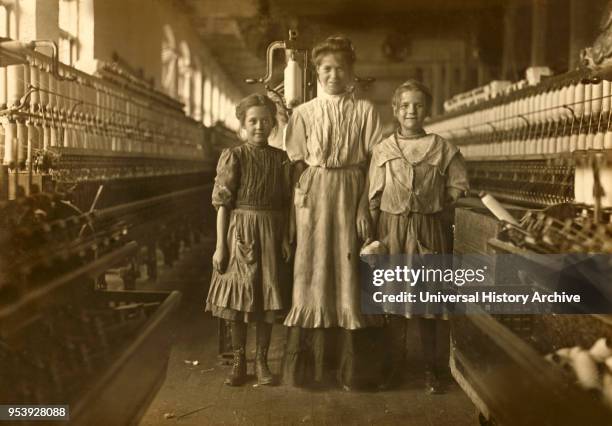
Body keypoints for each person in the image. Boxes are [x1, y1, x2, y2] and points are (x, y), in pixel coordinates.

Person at [283, 35, 383, 389]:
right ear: (316, 72)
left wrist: (362, 207)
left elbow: (373, 163)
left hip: (352, 190)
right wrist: (299, 211)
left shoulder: (366, 111)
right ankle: (310, 371)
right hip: (313, 195)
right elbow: (296, 165)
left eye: (341, 67)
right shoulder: (303, 113)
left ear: (351, 72)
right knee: (312, 269)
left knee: (349, 269)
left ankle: (353, 372)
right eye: (326, 68)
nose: (333, 74)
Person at [368, 80, 469, 392]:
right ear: (396, 111)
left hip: (428, 231)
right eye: (405, 105)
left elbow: (459, 188)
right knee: (392, 303)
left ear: (427, 110)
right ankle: (393, 368)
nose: (412, 110)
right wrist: (372, 238)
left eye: (419, 105)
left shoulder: (444, 149)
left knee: (427, 304)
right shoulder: (382, 149)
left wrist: (436, 209)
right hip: (391, 230)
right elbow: (373, 196)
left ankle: (431, 370)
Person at [206, 94, 292, 386]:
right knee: (238, 299)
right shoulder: (235, 156)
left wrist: (285, 238)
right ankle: (240, 361)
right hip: (240, 234)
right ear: (243, 124)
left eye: (265, 120)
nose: (259, 126)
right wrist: (221, 247)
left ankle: (262, 361)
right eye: (253, 121)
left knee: (265, 300)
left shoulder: (281, 159)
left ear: (273, 124)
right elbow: (223, 205)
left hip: (271, 233)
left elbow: (286, 205)